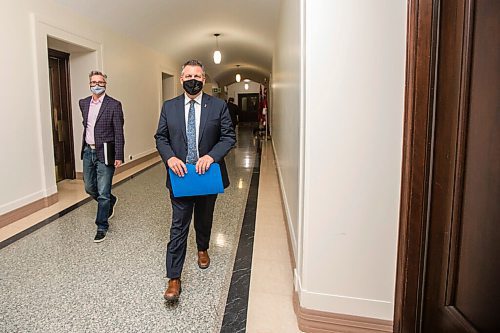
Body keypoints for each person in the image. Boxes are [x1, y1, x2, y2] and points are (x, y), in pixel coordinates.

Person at [155, 60, 236, 301]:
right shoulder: (169, 107)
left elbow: (228, 136)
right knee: (178, 226)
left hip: (206, 176)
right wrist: (169, 159)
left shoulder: (218, 106)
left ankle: (202, 248)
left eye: (198, 76)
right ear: (181, 79)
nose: (193, 79)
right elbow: (161, 137)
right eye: (189, 75)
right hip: (180, 177)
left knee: (203, 218)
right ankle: (174, 278)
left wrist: (211, 156)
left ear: (204, 79)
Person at [79, 70, 124, 243]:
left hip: (106, 152)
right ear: (89, 83)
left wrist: (118, 155)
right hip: (88, 151)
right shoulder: (83, 103)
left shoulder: (114, 105)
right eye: (93, 82)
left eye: (100, 82)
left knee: (103, 192)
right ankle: (112, 201)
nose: (96, 85)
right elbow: (87, 125)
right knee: (90, 187)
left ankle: (102, 226)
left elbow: (118, 132)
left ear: (105, 84)